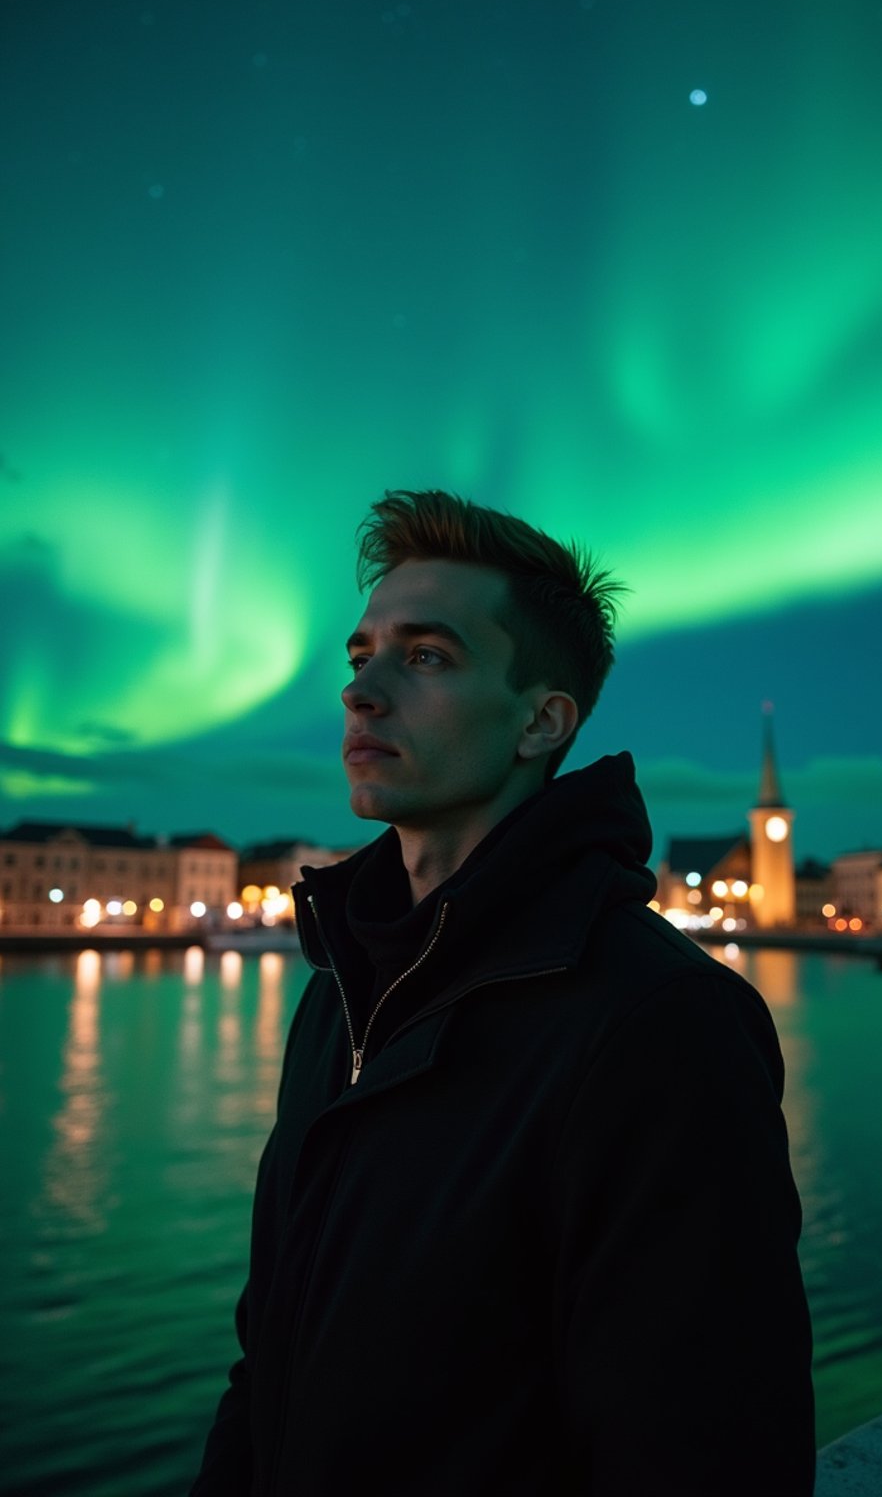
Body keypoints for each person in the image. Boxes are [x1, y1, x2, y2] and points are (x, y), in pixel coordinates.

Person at [190, 489, 816, 1496]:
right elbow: (266, 1362)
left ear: (540, 720)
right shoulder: (337, 994)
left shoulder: (660, 1025)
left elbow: (704, 1450)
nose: (362, 691)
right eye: (361, 656)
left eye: (426, 656)